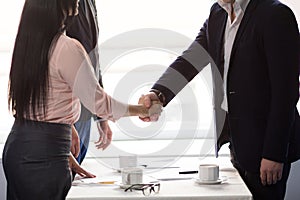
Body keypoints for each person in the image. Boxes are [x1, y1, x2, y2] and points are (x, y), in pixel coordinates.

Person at [139, 0, 300, 199]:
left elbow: (286, 93)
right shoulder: (218, 12)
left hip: (266, 147)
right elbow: (192, 58)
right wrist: (159, 94)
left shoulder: (275, 15)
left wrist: (274, 154)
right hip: (237, 141)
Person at [2, 0, 161, 199]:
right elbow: (100, 104)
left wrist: (67, 132)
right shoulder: (67, 48)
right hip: (44, 157)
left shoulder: (28, 43)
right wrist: (143, 110)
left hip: (19, 149)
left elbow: (42, 100)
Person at [66, 0, 112, 176]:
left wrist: (101, 116)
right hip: (65, 112)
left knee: (73, 180)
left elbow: (92, 59)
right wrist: (65, 124)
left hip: (83, 111)